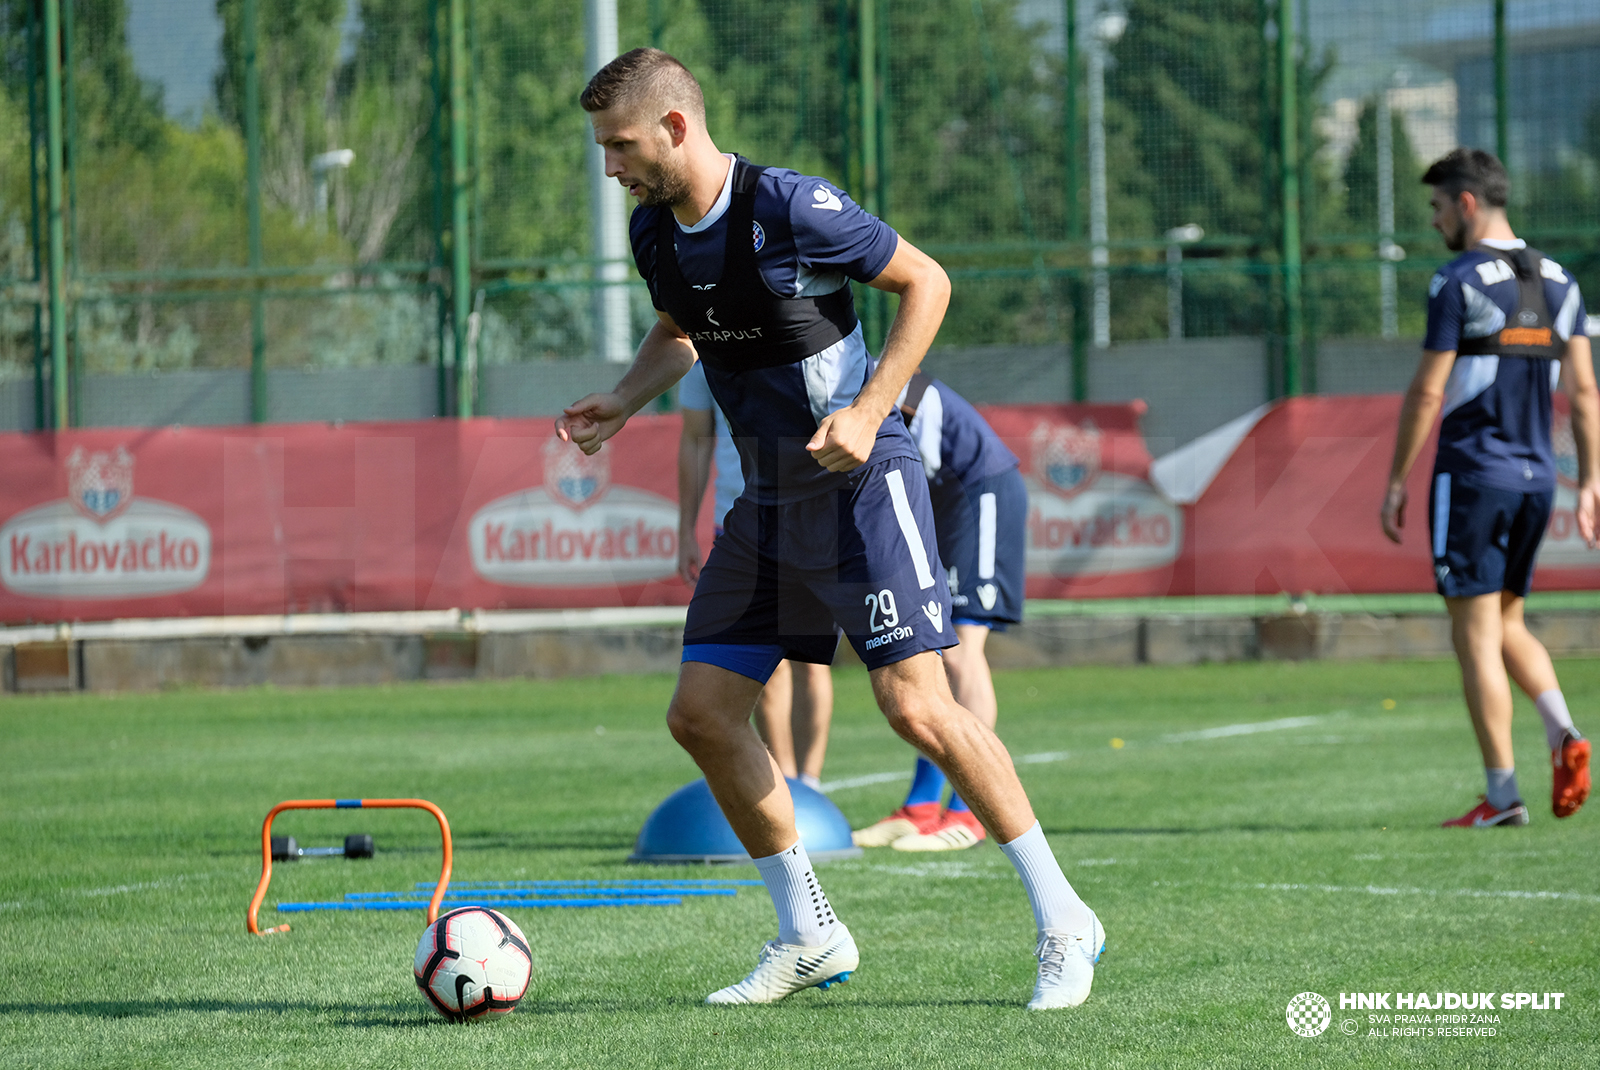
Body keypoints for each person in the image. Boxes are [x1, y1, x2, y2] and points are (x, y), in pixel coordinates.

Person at [559, 48, 1102, 1009]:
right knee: (702, 715)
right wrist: (624, 401)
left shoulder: (792, 206)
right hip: (765, 503)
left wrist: (870, 409)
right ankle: (810, 934)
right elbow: (680, 332)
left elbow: (926, 283)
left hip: (860, 484)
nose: (611, 168)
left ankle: (1065, 919)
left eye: (621, 146)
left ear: (676, 127)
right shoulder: (654, 233)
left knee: (916, 709)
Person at [1381, 147, 1594, 828]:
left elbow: (1428, 391)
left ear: (1466, 203)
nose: (1436, 220)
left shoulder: (1459, 280)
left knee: (1473, 633)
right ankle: (1564, 731)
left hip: (1474, 474)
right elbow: (1585, 393)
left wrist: (1393, 481)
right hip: (1538, 480)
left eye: (1438, 207)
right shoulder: (1560, 279)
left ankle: (1502, 797)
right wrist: (1590, 482)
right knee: (1506, 621)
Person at [853, 372, 1028, 851]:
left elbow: (898, 449)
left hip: (982, 494)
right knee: (935, 649)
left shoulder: (863, 367)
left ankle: (970, 811)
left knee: (961, 652)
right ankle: (921, 806)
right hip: (943, 506)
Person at [678, 360, 834, 788]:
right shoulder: (703, 361)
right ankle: (784, 785)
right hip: (738, 522)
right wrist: (684, 529)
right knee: (765, 665)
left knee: (810, 661)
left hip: (810, 516)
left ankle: (812, 784)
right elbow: (694, 439)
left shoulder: (799, 341)